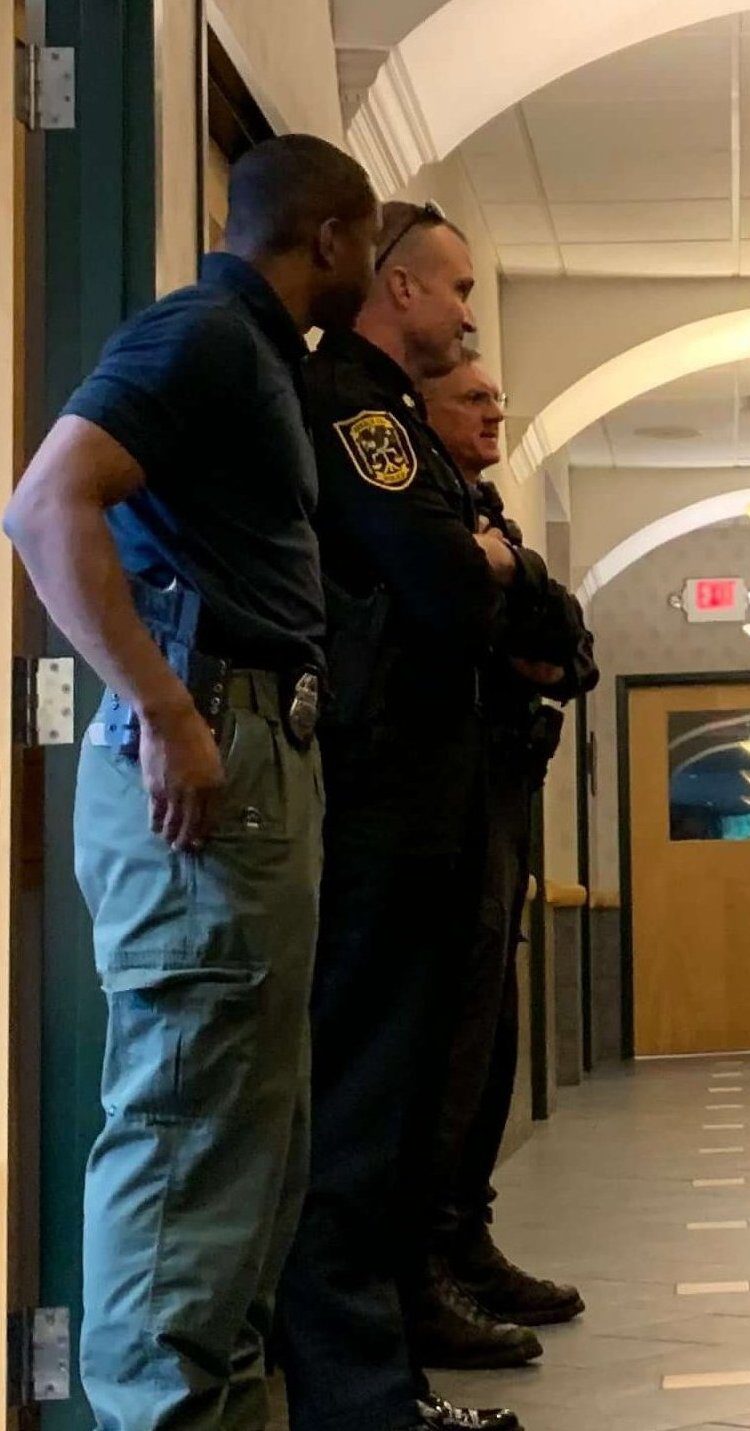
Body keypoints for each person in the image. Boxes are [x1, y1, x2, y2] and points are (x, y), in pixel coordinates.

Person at [3, 135, 378, 1429]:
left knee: (245, 1141)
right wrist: (163, 710)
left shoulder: (260, 355)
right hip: (208, 752)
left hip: (263, 751)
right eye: (368, 242)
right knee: (184, 1127)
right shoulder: (204, 332)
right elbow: (48, 504)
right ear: (328, 237)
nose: (371, 268)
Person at [276, 202, 553, 1431]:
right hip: (381, 797)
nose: (465, 312)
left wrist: (493, 566)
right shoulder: (353, 404)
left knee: (396, 1101)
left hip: (425, 796)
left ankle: (383, 1383)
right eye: (452, 289)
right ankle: (361, 1394)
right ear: (393, 286)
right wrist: (481, 562)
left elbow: (528, 606)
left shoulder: (392, 418)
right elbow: (447, 580)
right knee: (362, 1102)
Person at [415, 358, 594, 1348]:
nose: (495, 413)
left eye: (497, 398)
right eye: (474, 400)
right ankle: (428, 1266)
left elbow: (570, 648)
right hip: (444, 805)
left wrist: (525, 585)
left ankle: (466, 1240)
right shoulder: (419, 514)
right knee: (450, 1042)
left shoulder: (489, 515)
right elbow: (488, 629)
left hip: (504, 800)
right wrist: (524, 602)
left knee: (494, 1038)